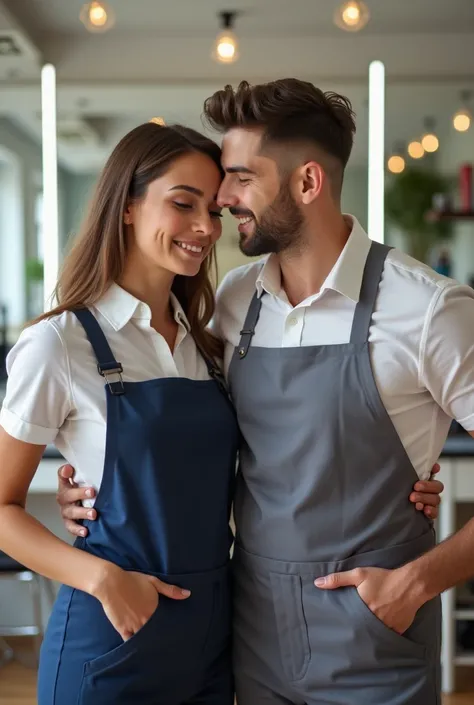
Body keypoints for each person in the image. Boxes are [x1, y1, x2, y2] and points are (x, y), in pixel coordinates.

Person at [56, 81, 447, 705]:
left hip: (372, 635)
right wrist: (91, 471)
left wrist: (417, 583)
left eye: (239, 179)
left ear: (307, 183)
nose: (223, 200)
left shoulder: (428, 309)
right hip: (249, 634)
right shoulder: (231, 304)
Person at [0, 122, 240, 705]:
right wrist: (103, 580)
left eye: (215, 211)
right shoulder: (59, 344)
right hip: (111, 632)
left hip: (213, 635)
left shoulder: (209, 346)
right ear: (128, 206)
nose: (205, 228)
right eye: (183, 204)